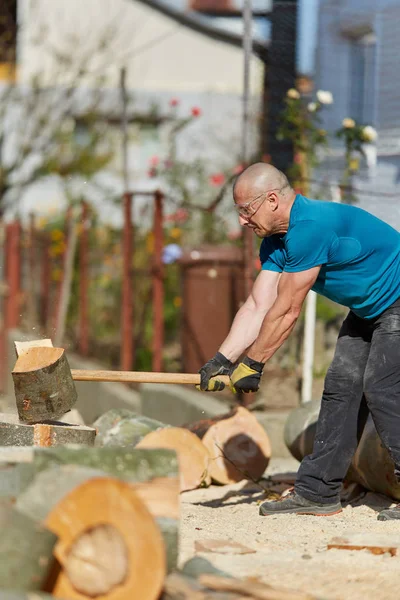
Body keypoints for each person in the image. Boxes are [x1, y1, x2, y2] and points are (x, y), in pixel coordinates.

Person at [198, 162, 400, 521]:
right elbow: (259, 305)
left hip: (396, 301)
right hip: (368, 310)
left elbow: (288, 309)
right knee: (341, 388)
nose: (243, 221)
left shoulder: (309, 227)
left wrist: (254, 362)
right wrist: (223, 359)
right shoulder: (275, 240)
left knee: (381, 387)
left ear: (272, 200)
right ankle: (317, 492)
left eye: (246, 210)